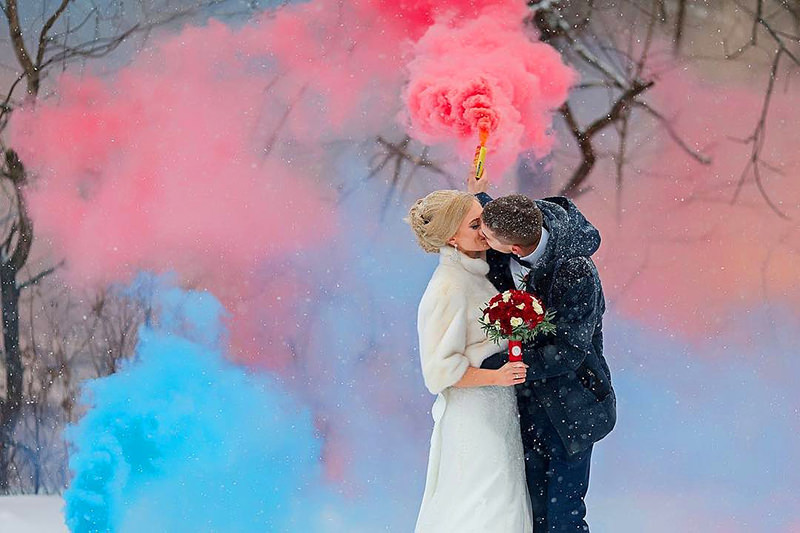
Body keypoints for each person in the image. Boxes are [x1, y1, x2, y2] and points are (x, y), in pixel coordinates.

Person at [468, 177, 616, 533]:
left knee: (563, 515)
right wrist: (476, 192)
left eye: (487, 238)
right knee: (530, 512)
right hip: (528, 404)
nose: (481, 241)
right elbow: (498, 216)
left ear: (515, 249)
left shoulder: (576, 271)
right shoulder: (517, 222)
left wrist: (500, 366)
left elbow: (568, 351)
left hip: (572, 408)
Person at [407, 190, 533, 532]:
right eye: (476, 224)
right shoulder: (447, 288)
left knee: (501, 506)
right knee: (482, 509)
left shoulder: (475, 275)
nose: (486, 230)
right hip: (474, 420)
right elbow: (438, 372)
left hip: (496, 413)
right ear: (451, 237)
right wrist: (498, 377)